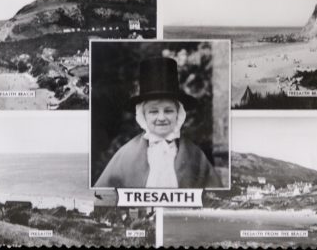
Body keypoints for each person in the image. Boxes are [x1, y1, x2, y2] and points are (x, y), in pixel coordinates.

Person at [94, 57, 222, 188]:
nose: (161, 118)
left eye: (168, 111)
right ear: (143, 115)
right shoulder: (126, 156)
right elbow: (103, 197)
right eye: (153, 111)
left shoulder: (195, 156)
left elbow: (215, 197)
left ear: (178, 114)